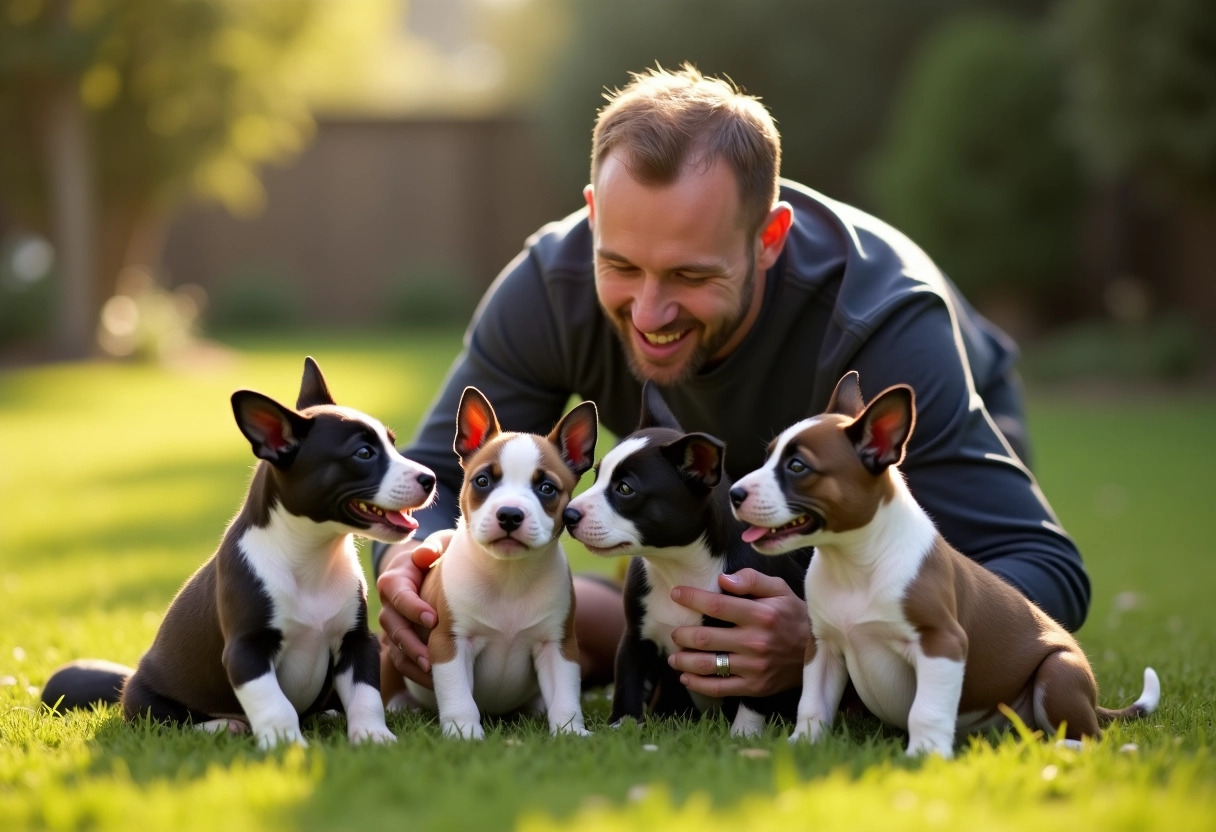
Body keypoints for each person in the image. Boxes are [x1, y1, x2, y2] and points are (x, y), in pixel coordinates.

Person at [374, 63, 1090, 710]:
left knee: (867, 654)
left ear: (768, 238)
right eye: (621, 265)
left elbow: (1042, 570)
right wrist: (412, 564)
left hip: (903, 488)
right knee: (656, 613)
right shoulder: (546, 287)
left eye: (691, 275)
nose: (649, 314)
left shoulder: (884, 323)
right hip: (707, 522)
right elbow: (437, 478)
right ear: (594, 214)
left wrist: (819, 631)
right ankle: (611, 624)